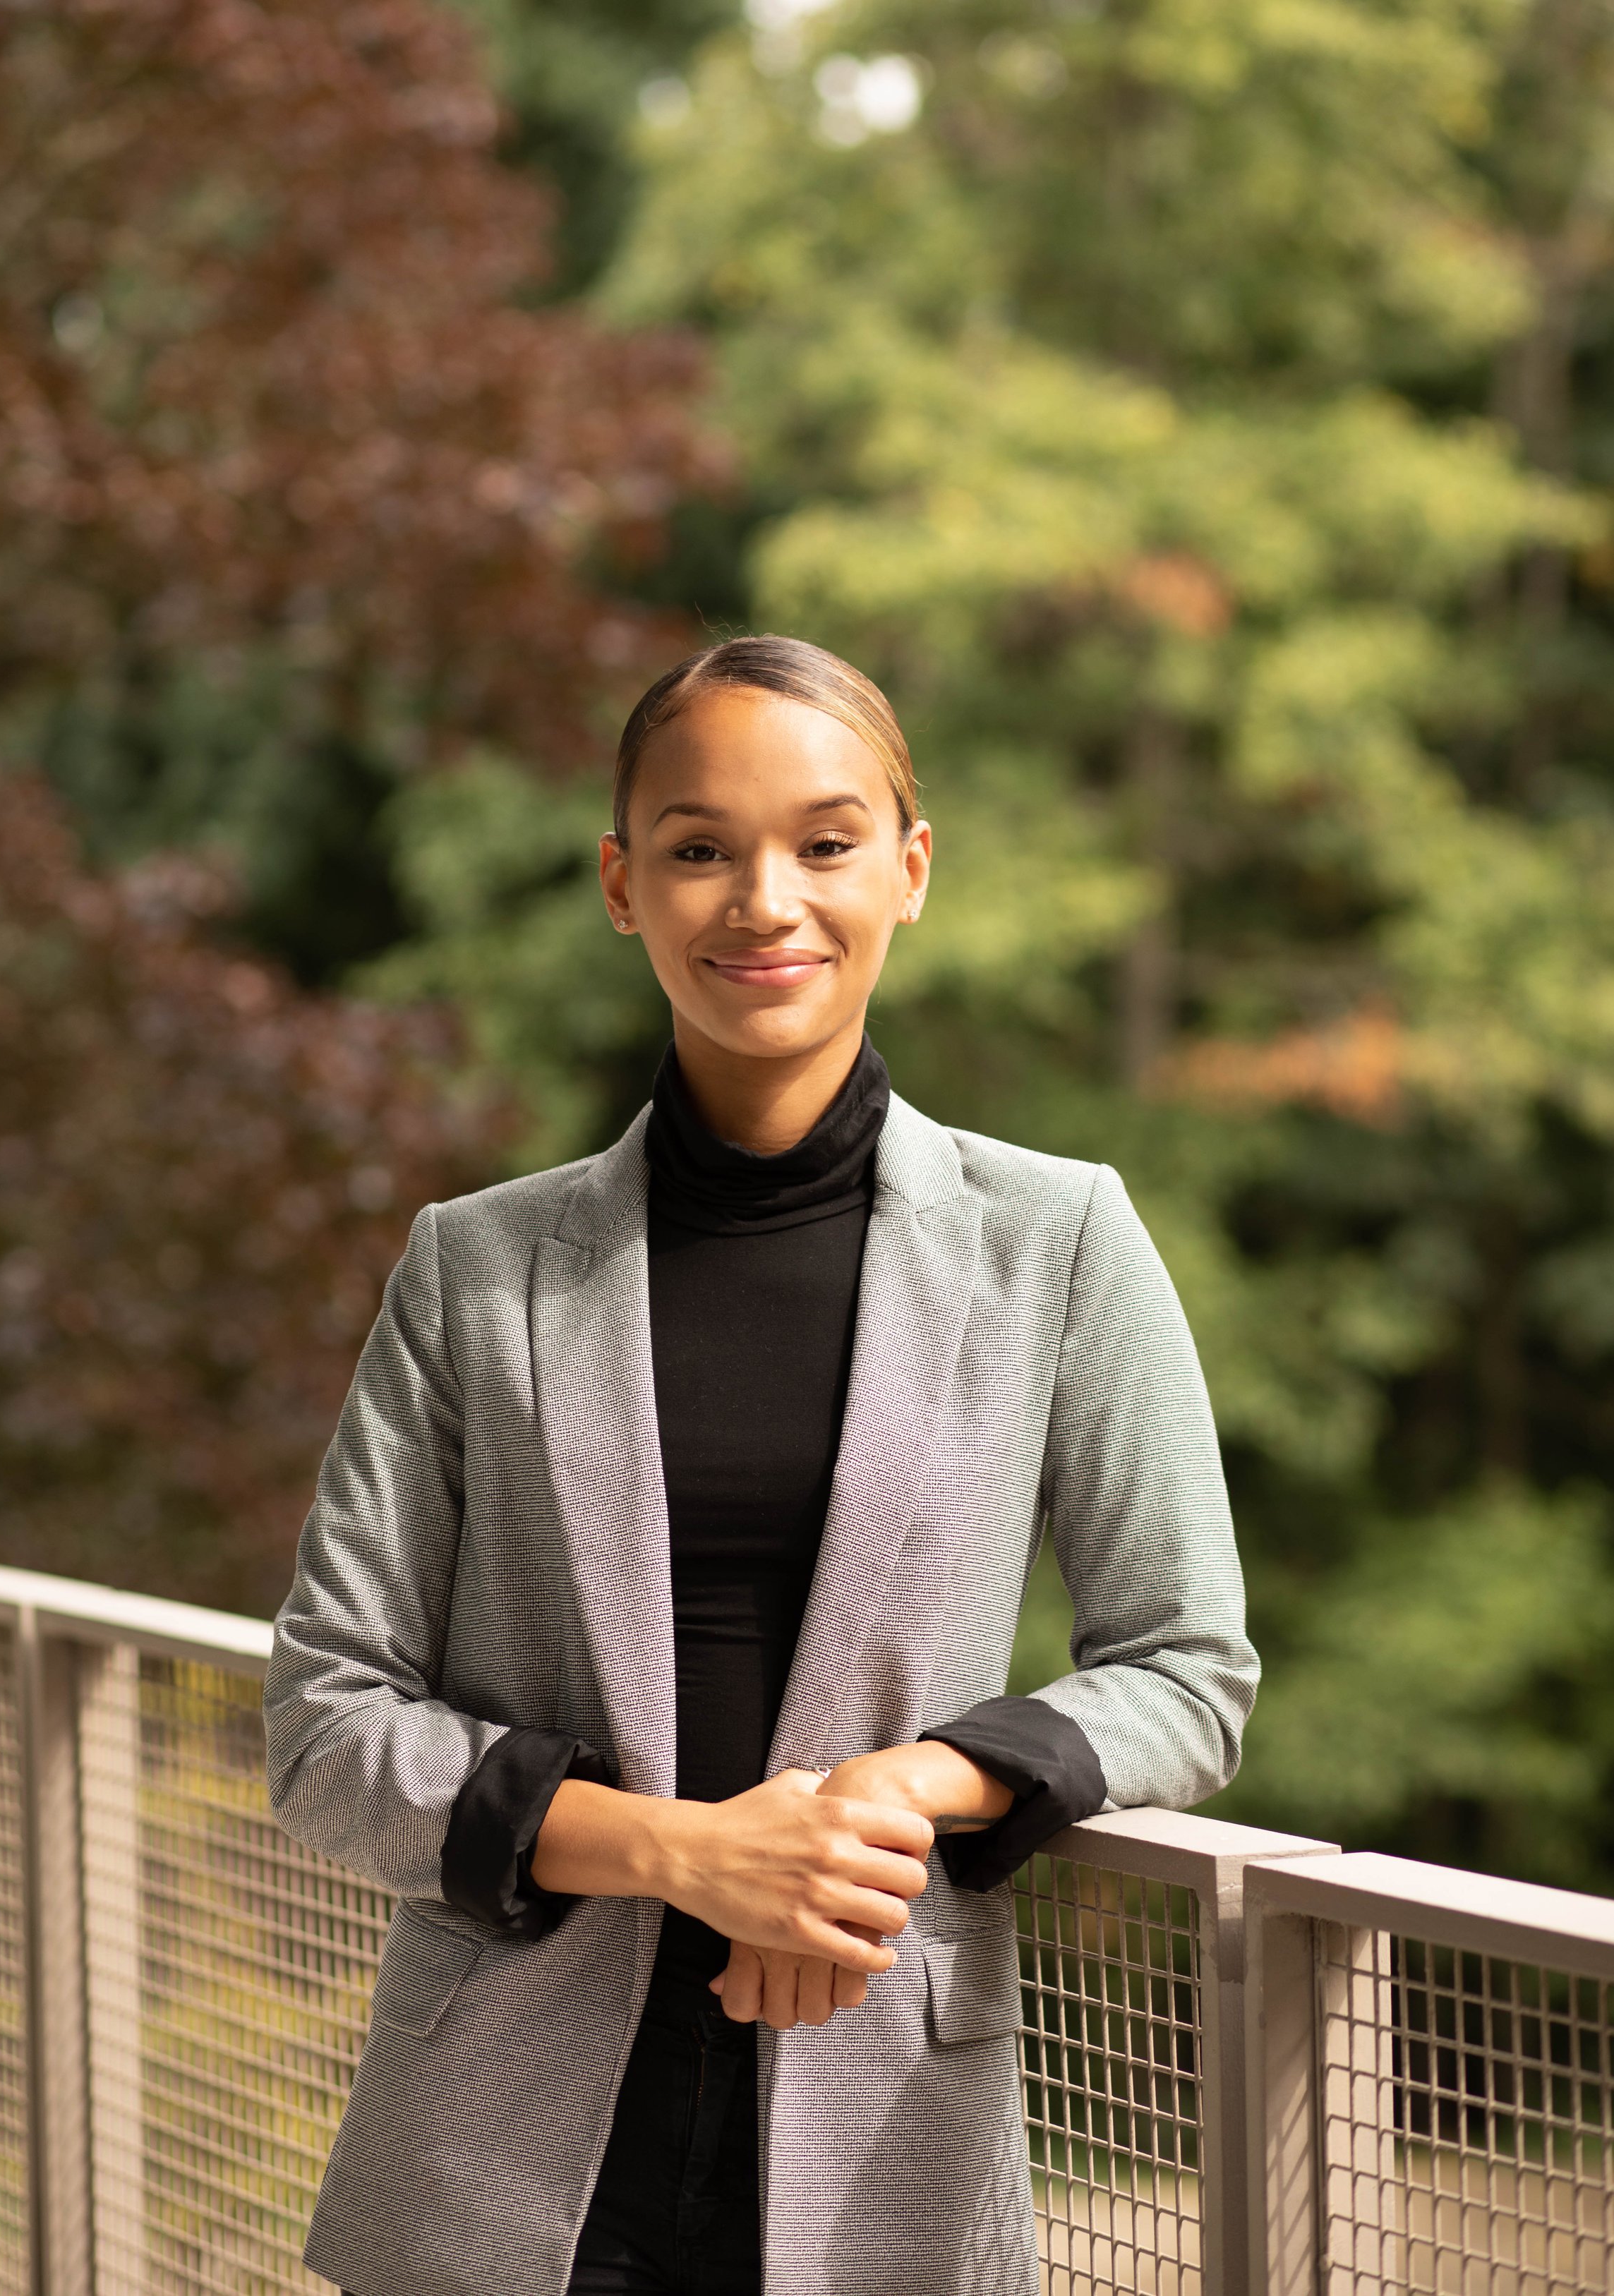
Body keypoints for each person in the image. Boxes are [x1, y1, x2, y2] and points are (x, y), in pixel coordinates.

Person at [263, 634, 1258, 2296]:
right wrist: (681, 1850)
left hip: (884, 2143)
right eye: (699, 847)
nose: (762, 900)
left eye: (824, 840)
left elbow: (1186, 1671)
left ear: (909, 870)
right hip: (493, 2154)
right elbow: (324, 1720)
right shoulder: (473, 1268)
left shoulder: (1057, 1243)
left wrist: (903, 1788)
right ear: (619, 883)